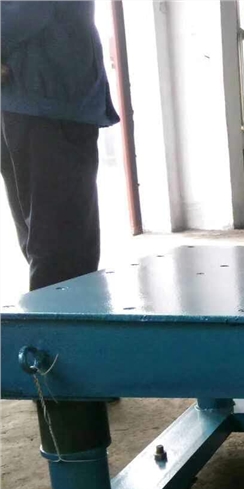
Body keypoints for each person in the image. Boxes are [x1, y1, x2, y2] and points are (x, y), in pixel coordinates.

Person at [1, 1, 119, 291]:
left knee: (53, 244)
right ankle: (61, 318)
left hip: (41, 95)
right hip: (40, 97)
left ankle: (60, 316)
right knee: (58, 246)